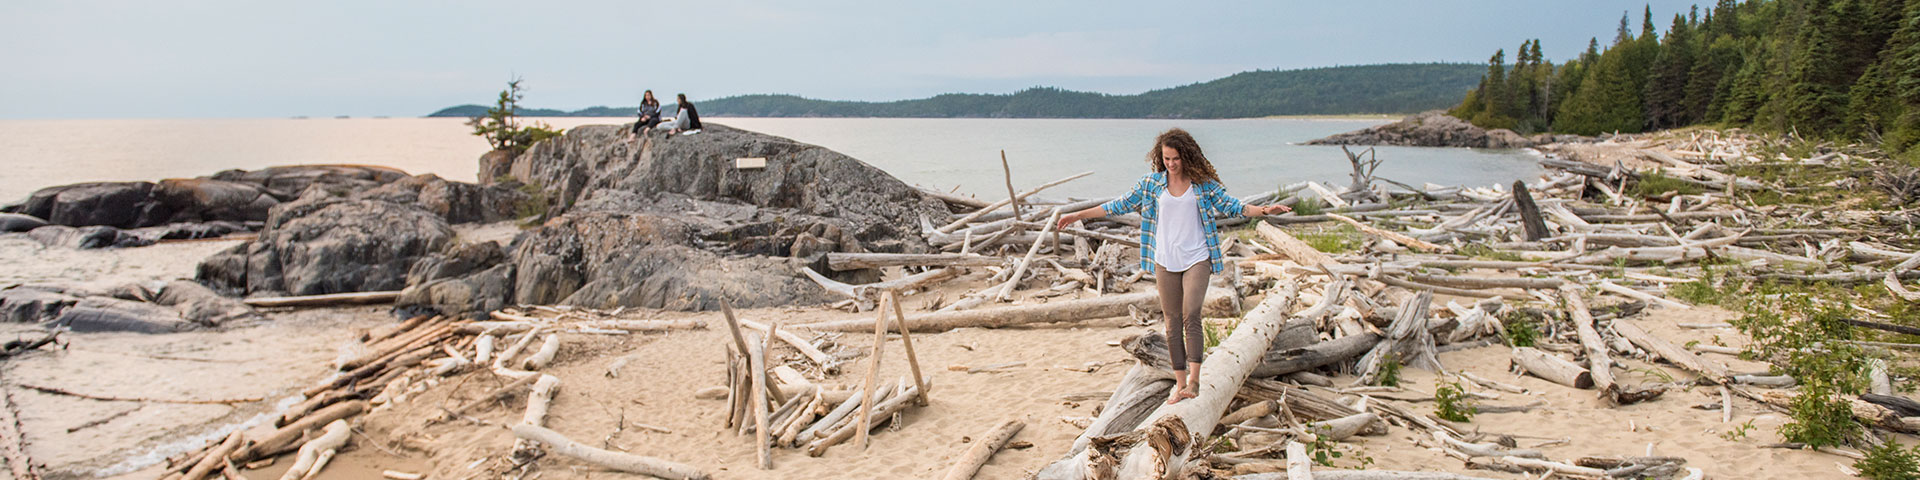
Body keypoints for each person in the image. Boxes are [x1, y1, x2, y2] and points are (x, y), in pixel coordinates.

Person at [1056, 128, 1290, 405]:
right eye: (1166, 158)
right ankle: (1179, 384)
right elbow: (1119, 205)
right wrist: (1078, 215)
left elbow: (1233, 206)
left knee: (1191, 314)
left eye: (1176, 158)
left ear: (1186, 156)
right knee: (1171, 322)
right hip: (1164, 259)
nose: (1171, 163)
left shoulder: (1202, 184)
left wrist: (1264, 211)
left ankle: (1194, 381)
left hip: (1197, 257)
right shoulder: (1151, 184)